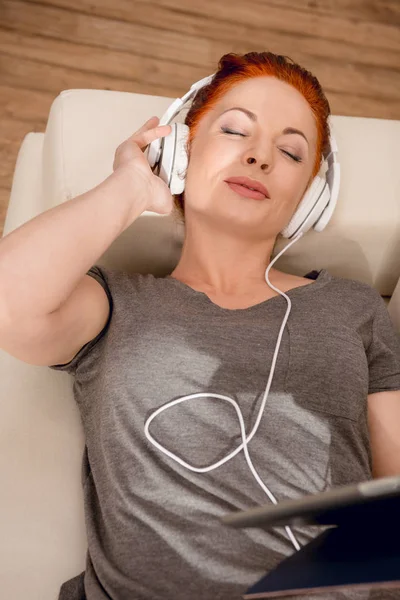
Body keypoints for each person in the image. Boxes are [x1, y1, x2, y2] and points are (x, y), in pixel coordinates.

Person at [0, 52, 399, 600]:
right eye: (235, 130)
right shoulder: (117, 301)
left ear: (308, 198)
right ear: (181, 151)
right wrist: (131, 188)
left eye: (289, 151)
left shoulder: (352, 309)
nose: (260, 156)